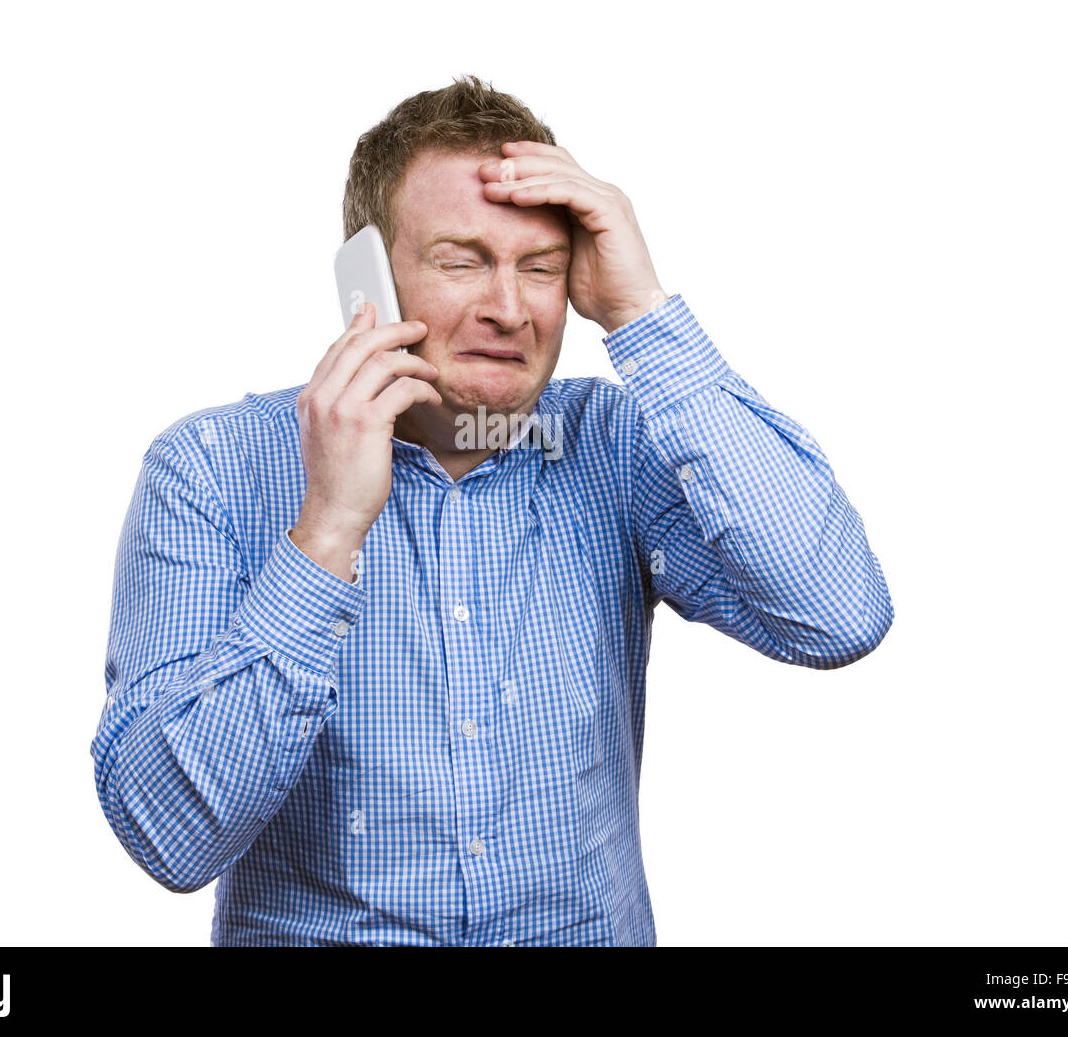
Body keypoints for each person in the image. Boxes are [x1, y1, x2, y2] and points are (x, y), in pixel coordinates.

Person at [90, 74, 894, 946]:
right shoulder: (209, 468)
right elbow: (168, 833)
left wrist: (641, 314)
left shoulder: (615, 446)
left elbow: (837, 614)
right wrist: (325, 534)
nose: (509, 309)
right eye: (461, 259)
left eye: (540, 269)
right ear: (367, 280)